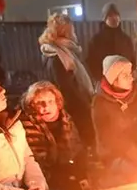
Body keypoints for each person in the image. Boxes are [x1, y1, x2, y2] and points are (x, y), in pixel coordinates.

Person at [21, 81, 89, 190]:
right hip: (45, 180)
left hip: (68, 174)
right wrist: (64, 177)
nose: (46, 106)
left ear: (57, 102)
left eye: (50, 101)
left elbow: (78, 149)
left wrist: (81, 174)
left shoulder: (66, 120)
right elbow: (37, 161)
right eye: (40, 103)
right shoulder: (28, 125)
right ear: (32, 105)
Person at [92, 55, 137, 186]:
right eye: (125, 75)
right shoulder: (100, 103)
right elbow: (107, 138)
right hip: (113, 154)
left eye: (130, 73)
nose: (131, 78)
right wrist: (131, 151)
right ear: (114, 80)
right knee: (135, 174)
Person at [40, 13, 95, 148]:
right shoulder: (56, 55)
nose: (73, 32)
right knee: (81, 143)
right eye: (70, 28)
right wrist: (85, 104)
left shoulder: (66, 51)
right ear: (64, 30)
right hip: (74, 108)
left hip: (78, 103)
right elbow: (65, 87)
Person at [86, 3, 136, 83]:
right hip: (105, 83)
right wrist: (100, 78)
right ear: (104, 19)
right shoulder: (96, 41)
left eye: (116, 15)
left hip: (124, 83)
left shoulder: (126, 39)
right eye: (110, 16)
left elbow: (133, 59)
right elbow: (91, 62)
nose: (114, 18)